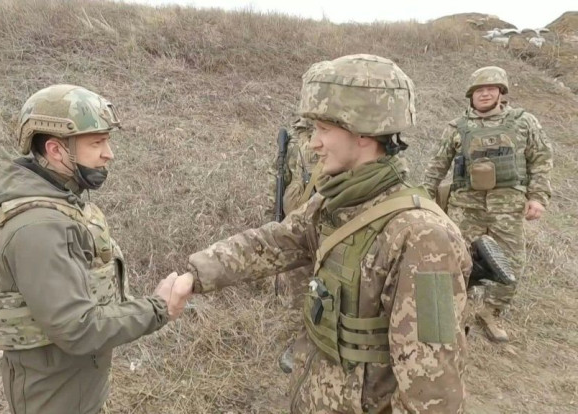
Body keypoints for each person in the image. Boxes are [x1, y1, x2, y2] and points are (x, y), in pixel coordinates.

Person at [176, 55, 472, 413]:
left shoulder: (424, 238)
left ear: (363, 132)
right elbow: (277, 242)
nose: (313, 143)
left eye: (323, 130)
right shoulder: (337, 200)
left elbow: (433, 394)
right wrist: (195, 275)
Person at [0, 84, 190, 414]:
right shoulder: (38, 228)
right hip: (55, 398)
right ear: (57, 150)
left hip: (71, 387)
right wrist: (158, 308)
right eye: (97, 143)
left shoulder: (56, 199)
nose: (109, 153)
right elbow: (78, 328)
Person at [423, 66, 553, 342]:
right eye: (479, 90)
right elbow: (437, 164)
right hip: (465, 207)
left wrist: (538, 197)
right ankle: (457, 312)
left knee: (511, 264)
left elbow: (540, 158)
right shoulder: (457, 127)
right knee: (456, 259)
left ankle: (490, 311)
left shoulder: (523, 122)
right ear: (471, 95)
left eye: (491, 89)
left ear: (501, 93)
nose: (485, 94)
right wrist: (424, 197)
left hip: (507, 207)